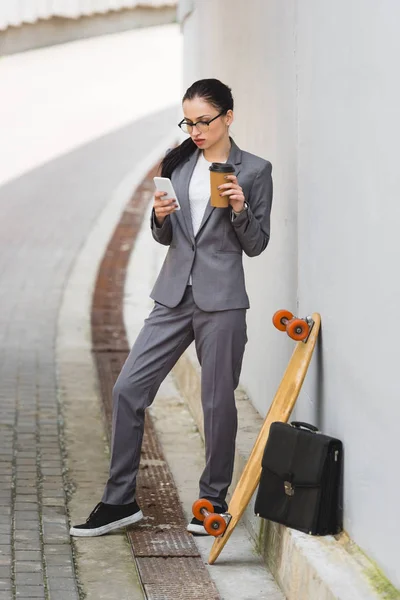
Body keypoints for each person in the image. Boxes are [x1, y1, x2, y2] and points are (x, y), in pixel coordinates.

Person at [69, 78, 273, 537]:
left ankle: (212, 500)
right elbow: (166, 236)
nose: (196, 130)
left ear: (228, 117)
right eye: (189, 121)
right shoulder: (179, 163)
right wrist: (159, 217)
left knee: (218, 402)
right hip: (173, 296)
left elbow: (257, 245)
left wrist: (240, 209)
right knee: (127, 389)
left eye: (204, 121)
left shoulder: (255, 171)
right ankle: (119, 501)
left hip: (222, 302)